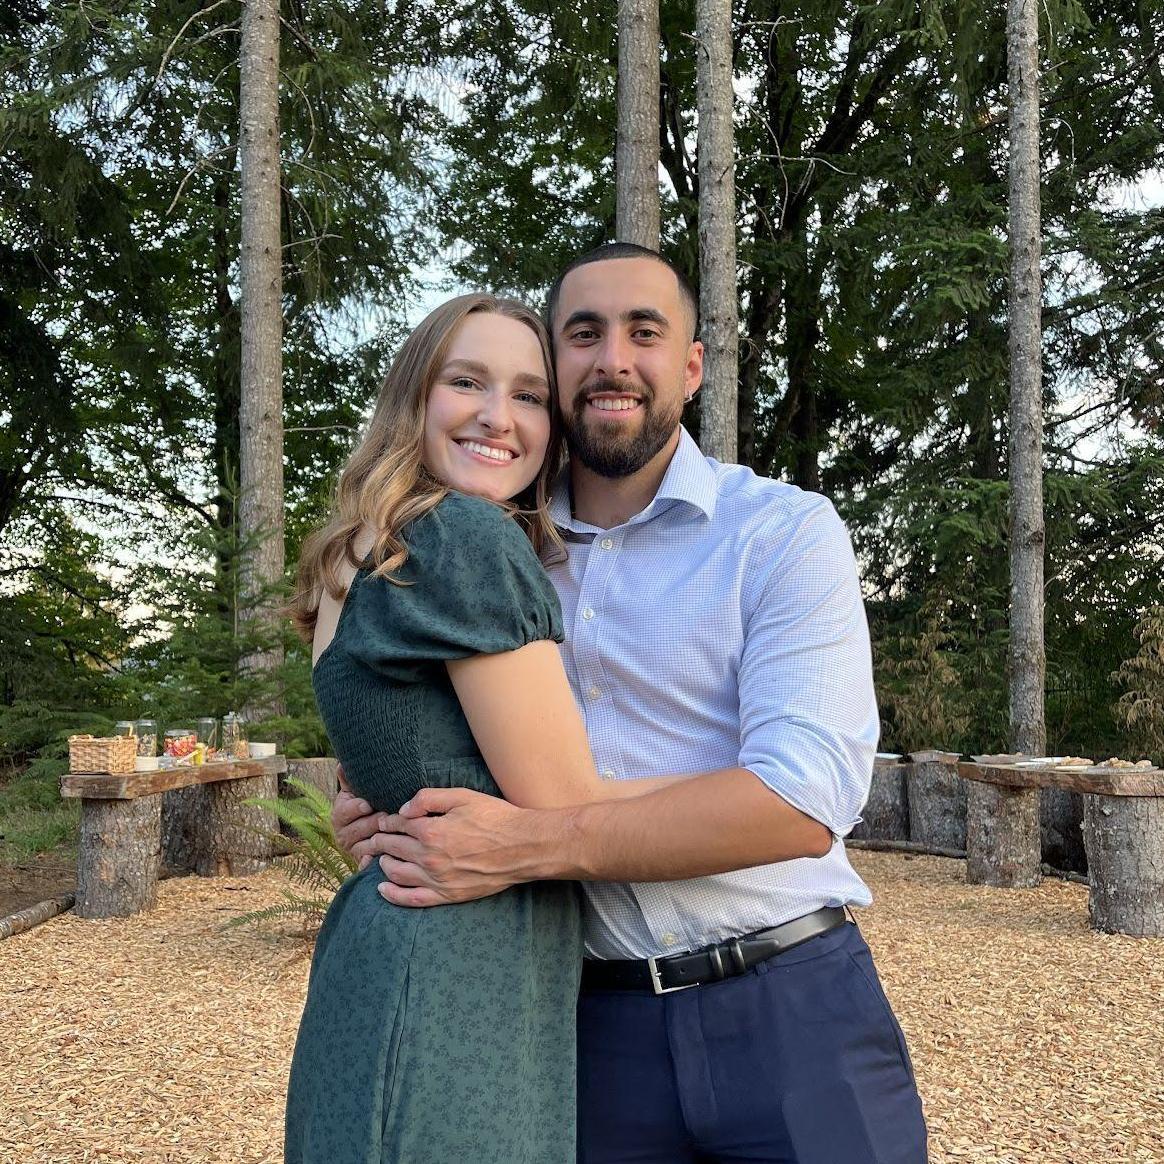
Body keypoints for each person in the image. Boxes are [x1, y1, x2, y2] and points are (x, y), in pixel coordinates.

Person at [334, 244, 930, 1163]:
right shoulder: (489, 541)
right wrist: (388, 804)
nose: (613, 359)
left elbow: (804, 800)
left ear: (691, 367)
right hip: (585, 1025)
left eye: (643, 333)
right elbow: (416, 715)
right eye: (584, 334)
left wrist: (528, 842)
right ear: (557, 366)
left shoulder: (780, 532)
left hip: (791, 1005)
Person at [284, 293, 690, 1164]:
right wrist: (750, 787)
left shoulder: (366, 545)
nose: (498, 417)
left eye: (530, 395)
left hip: (389, 953)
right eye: (466, 381)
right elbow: (566, 803)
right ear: (414, 395)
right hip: (458, 974)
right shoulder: (464, 537)